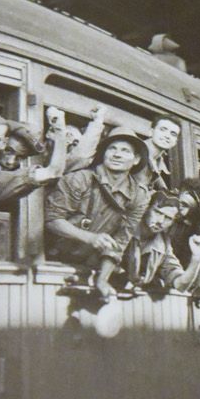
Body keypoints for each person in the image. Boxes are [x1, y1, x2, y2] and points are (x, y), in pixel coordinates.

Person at [43, 127, 153, 300]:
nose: (117, 154)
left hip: (88, 266)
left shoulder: (139, 195)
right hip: (51, 262)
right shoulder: (79, 179)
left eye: (125, 151)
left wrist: (103, 279)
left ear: (136, 160)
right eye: (112, 149)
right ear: (104, 153)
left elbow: (121, 240)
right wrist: (90, 238)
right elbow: (51, 219)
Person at [144, 115, 181, 191]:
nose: (167, 136)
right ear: (151, 132)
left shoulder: (158, 161)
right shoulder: (136, 151)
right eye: (163, 130)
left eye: (173, 134)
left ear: (175, 142)